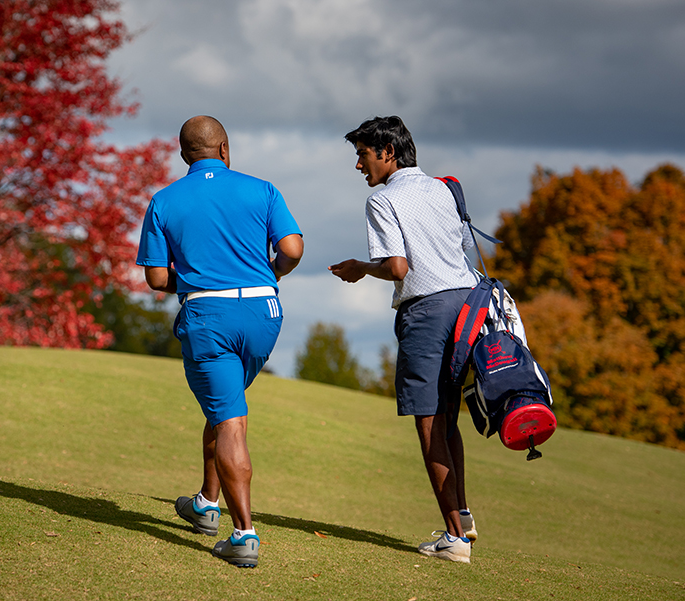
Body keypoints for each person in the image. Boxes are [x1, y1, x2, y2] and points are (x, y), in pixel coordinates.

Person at [136, 115, 303, 568]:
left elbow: (155, 277)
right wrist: (271, 273)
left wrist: (197, 281)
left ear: (184, 154)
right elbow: (291, 249)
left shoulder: (165, 200)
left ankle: (244, 535)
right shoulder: (262, 189)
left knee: (229, 420)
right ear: (225, 149)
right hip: (265, 313)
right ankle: (207, 503)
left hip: (209, 315)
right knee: (228, 407)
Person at [329, 116, 479, 564]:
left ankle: (454, 539)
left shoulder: (383, 200)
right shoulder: (442, 188)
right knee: (448, 416)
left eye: (362, 154)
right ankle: (463, 519)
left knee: (429, 421)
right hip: (467, 305)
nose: (359, 165)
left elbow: (397, 267)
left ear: (387, 152)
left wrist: (361, 267)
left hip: (428, 311)